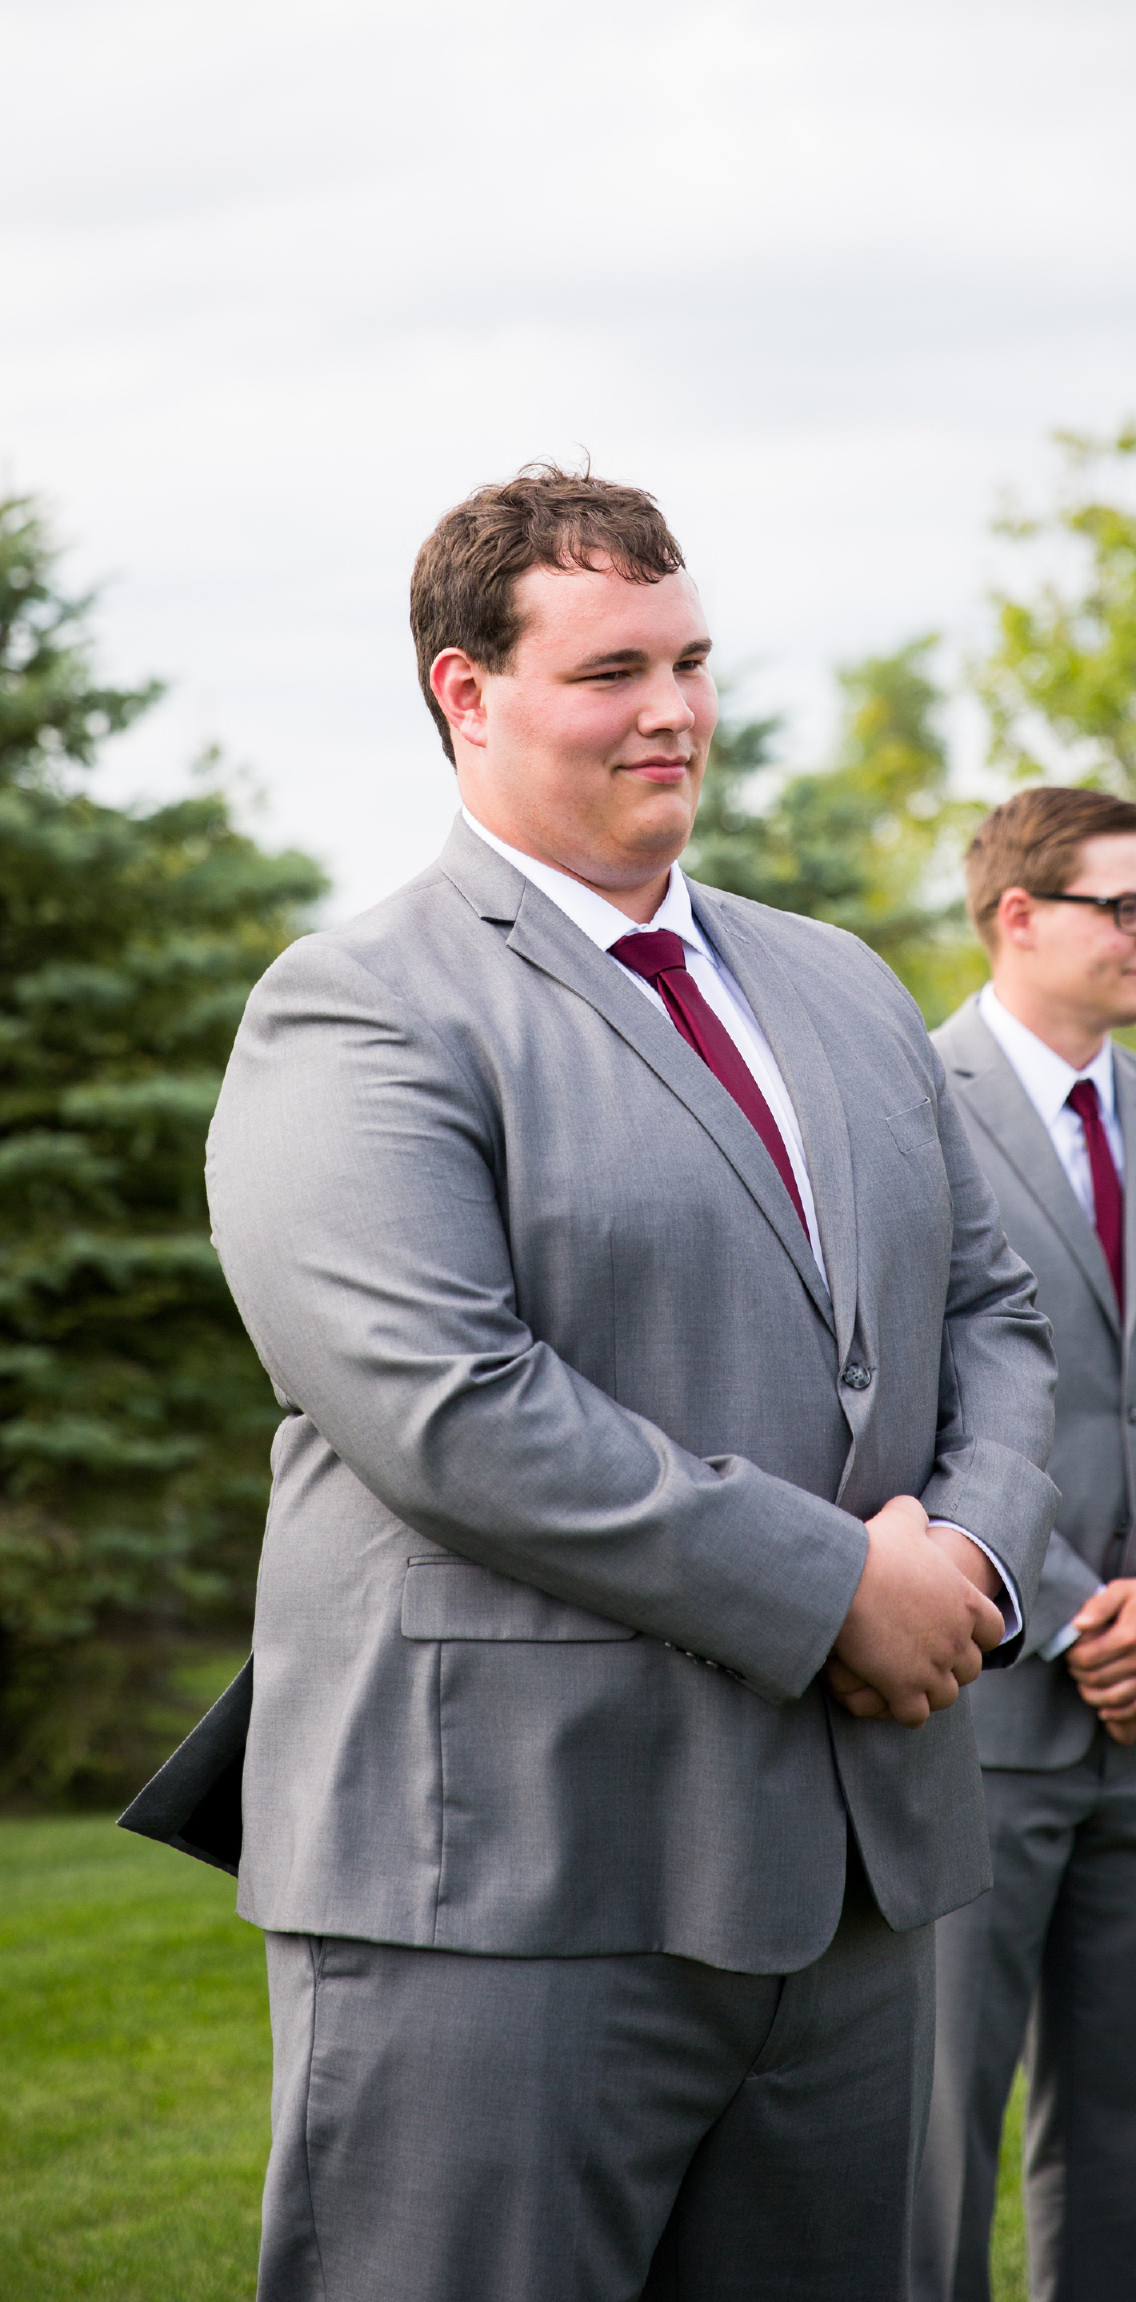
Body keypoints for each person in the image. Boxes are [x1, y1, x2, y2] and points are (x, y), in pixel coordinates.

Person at [119, 466, 1060, 2302]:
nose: (677, 710)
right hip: (509, 1886)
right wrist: (838, 1588)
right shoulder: (359, 1004)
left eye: (694, 660)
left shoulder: (845, 986)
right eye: (614, 667)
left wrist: (970, 1561)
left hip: (854, 1881)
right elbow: (449, 1409)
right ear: (467, 694)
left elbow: (1004, 1315)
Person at [910, 787, 1136, 2301]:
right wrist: (1073, 1617)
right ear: (1018, 919)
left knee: (1132, 2126)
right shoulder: (908, 1096)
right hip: (984, 1710)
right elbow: (917, 1401)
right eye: (1125, 908)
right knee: (938, 2135)